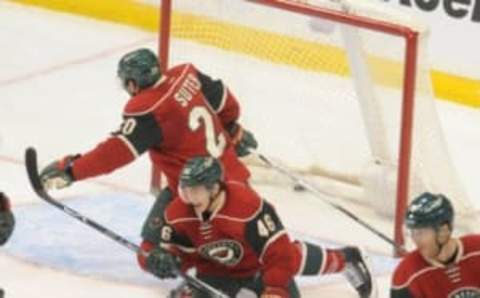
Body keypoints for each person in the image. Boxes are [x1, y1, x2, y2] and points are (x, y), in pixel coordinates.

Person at [38, 48, 258, 262]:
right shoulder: (186, 74)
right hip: (239, 183)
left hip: (199, 197)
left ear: (132, 83)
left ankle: (206, 268)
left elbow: (114, 153)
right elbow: (226, 103)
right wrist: (231, 127)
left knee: (149, 254)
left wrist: (71, 170)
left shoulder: (149, 109)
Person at [138, 156, 374, 298]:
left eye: (195, 190)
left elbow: (278, 257)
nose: (188, 197)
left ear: (214, 188)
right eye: (185, 189)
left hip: (258, 271)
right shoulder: (179, 212)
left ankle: (346, 259)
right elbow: (179, 253)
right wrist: (162, 259)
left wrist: (274, 292)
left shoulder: (247, 208)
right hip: (216, 274)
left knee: (289, 256)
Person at [391, 192, 480, 298]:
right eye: (413, 233)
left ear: (443, 231)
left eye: (421, 233)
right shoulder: (406, 274)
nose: (416, 240)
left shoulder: (477, 250)